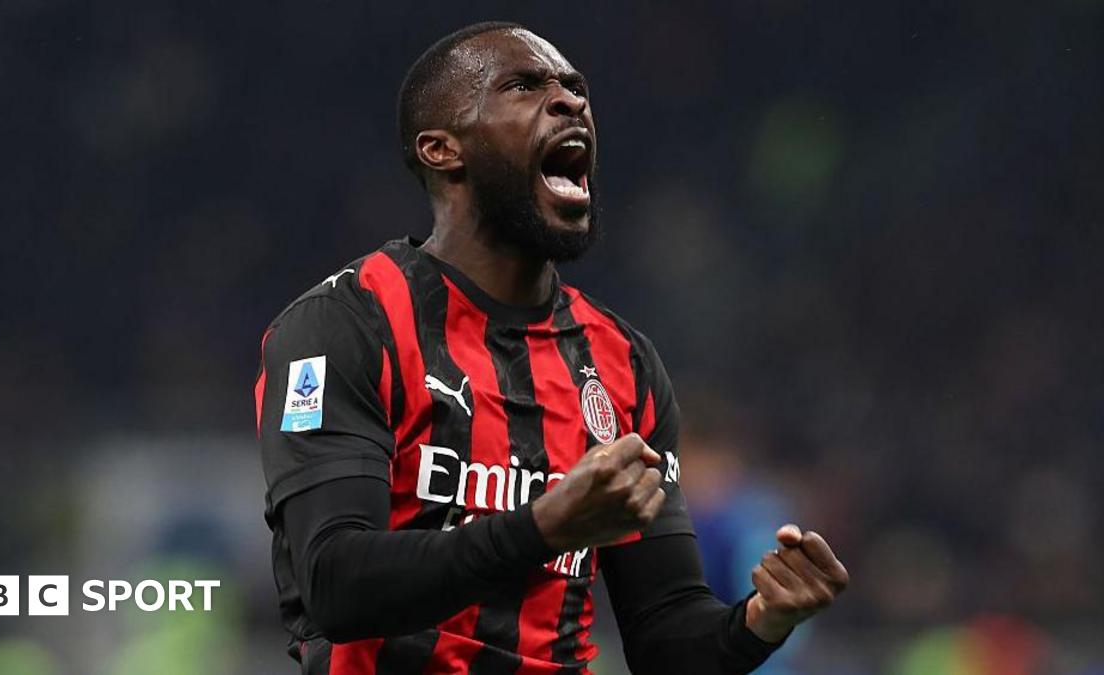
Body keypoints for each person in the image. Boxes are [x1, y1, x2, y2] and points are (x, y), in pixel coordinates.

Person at [254, 21, 848, 675]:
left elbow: (666, 635)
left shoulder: (624, 363)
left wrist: (761, 620)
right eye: (524, 86)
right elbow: (337, 585)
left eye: (575, 88)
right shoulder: (345, 325)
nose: (571, 102)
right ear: (442, 149)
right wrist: (542, 526)